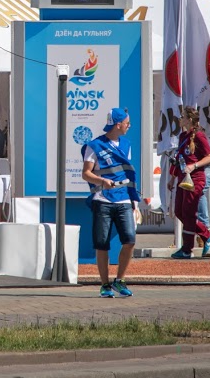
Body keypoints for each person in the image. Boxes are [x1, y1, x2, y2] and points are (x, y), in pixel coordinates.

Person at [81, 108, 140, 298]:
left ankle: (120, 280)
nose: (129, 126)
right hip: (103, 200)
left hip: (123, 198)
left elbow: (128, 173)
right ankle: (105, 284)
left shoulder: (127, 144)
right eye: (127, 123)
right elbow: (86, 173)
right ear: (118, 124)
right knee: (102, 244)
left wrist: (134, 202)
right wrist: (102, 182)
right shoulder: (94, 145)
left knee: (130, 240)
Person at [169, 106, 210, 259]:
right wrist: (172, 178)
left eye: (182, 116)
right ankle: (207, 234)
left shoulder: (200, 136)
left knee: (189, 212)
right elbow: (179, 160)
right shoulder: (183, 136)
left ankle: (187, 249)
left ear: (189, 120)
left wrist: (194, 165)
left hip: (195, 178)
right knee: (179, 212)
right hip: (183, 178)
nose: (180, 119)